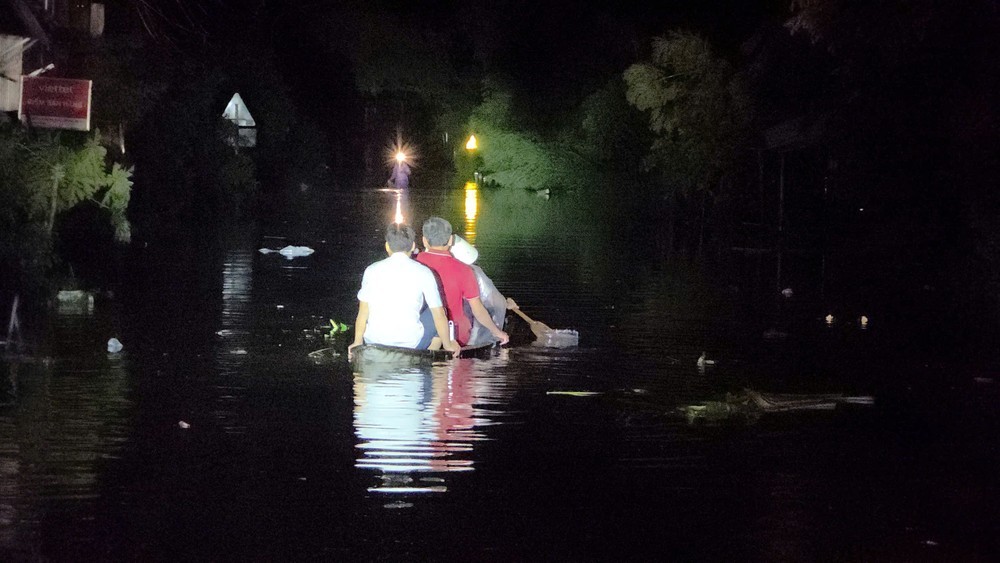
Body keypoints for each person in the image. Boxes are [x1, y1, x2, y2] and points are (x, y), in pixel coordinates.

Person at [348, 223, 460, 360]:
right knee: (439, 311)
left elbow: (363, 311)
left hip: (374, 340)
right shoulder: (423, 272)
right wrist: (448, 344)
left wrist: (357, 342)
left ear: (387, 246)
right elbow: (439, 314)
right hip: (411, 343)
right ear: (413, 246)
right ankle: (425, 358)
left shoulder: (371, 270)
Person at [415, 217, 509, 347]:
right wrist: (497, 332)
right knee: (473, 303)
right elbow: (478, 310)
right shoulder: (464, 270)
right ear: (451, 240)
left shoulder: (413, 265)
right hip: (456, 335)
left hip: (418, 332)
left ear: (424, 241)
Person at [449, 235, 508, 346]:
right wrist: (498, 332)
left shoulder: (430, 267)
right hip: (464, 325)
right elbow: (493, 301)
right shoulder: (473, 272)